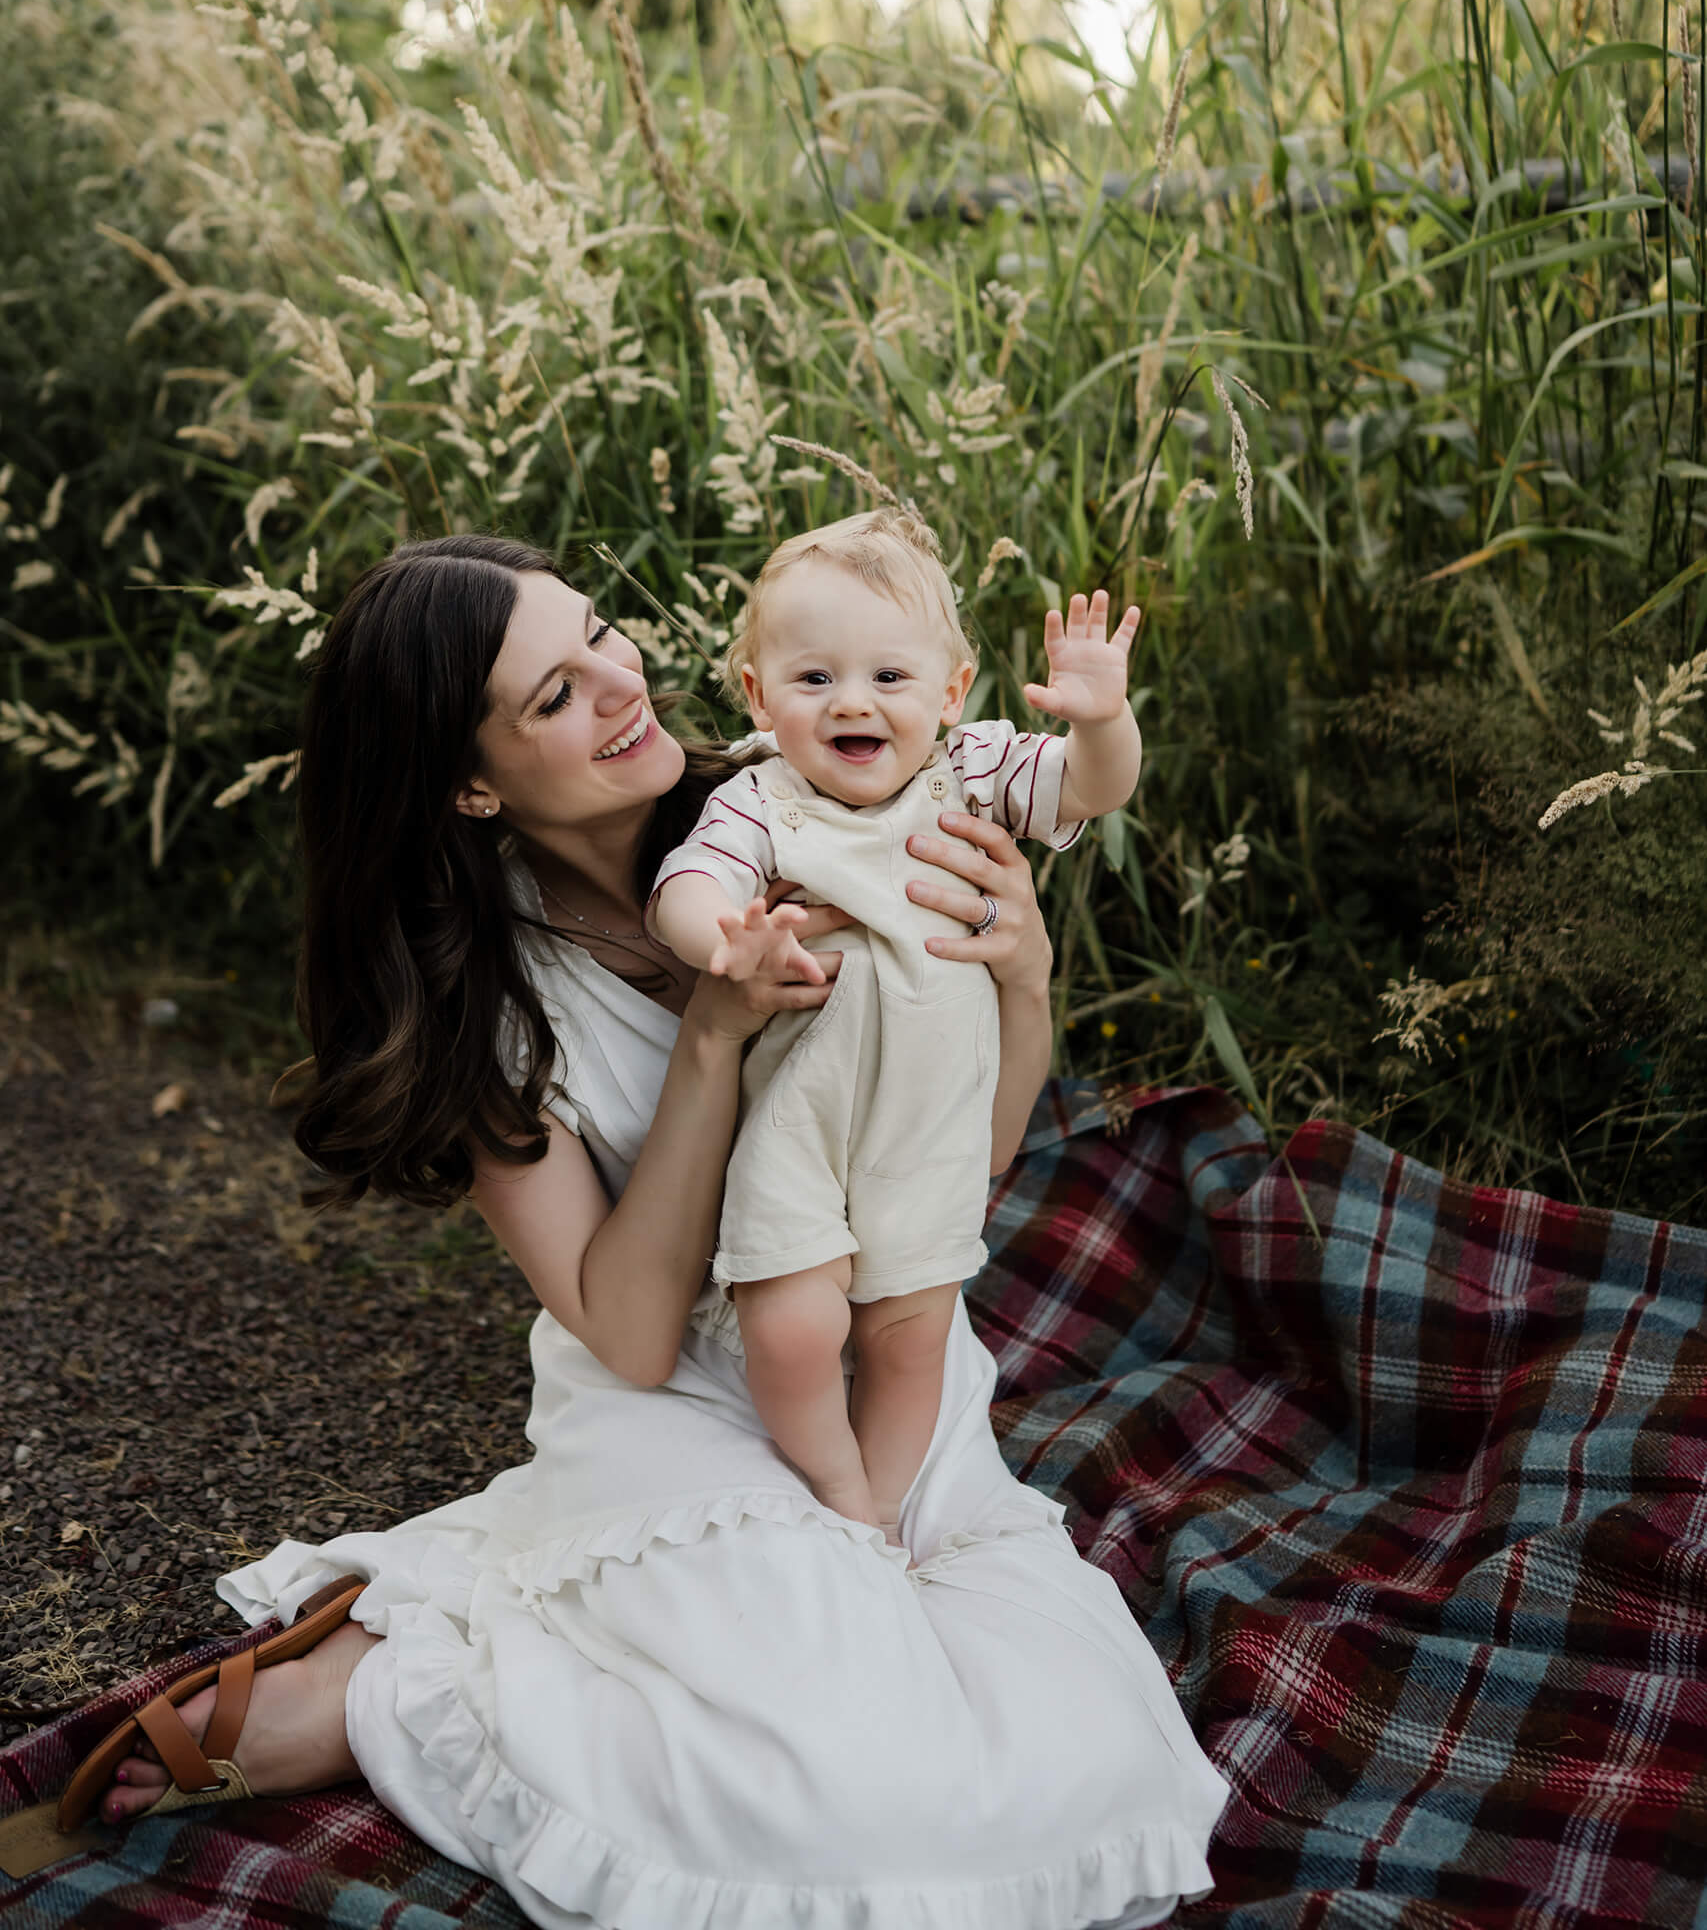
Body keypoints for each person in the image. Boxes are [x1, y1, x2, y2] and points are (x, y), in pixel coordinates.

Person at [73, 534, 1227, 1929]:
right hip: (671, 1398)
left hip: (877, 1364)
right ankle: (404, 1690)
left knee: (1070, 1758)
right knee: (859, 1801)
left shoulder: (813, 798)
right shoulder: (487, 1004)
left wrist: (1027, 986)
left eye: (602, 634)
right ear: (471, 780)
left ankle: (501, 1629)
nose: (622, 685)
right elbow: (621, 1328)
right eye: (553, 694)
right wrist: (714, 1038)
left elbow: (952, 1169)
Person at [649, 507, 1142, 1547]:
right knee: (792, 1326)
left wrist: (1100, 720)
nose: (852, 703)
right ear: (758, 696)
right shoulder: (760, 800)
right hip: (800, 1117)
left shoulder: (971, 773)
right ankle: (833, 1482)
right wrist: (725, 941)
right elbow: (686, 886)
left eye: (889, 676)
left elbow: (1093, 788)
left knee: (910, 1337)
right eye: (814, 677)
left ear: (953, 693)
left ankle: (881, 1504)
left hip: (929, 1128)